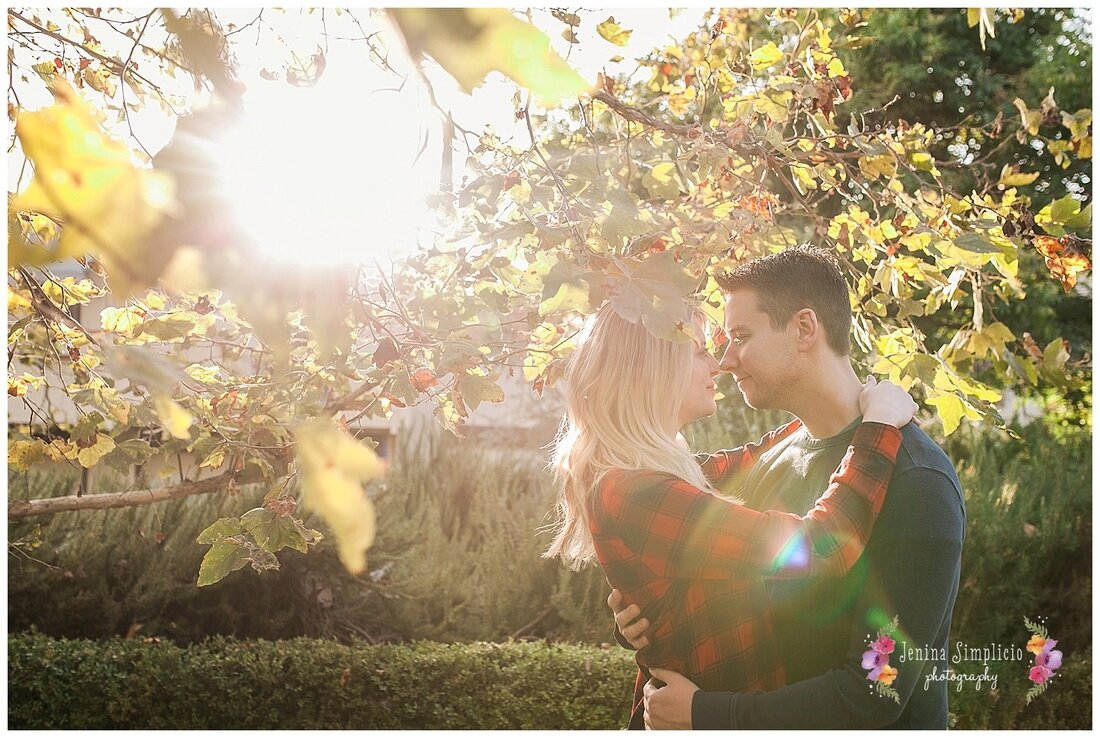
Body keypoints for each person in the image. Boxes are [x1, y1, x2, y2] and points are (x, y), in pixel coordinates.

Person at [611, 245, 966, 729]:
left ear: (803, 329)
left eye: (740, 336)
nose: (725, 360)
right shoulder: (767, 462)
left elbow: (871, 697)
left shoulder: (916, 482)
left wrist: (708, 714)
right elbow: (713, 586)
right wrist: (644, 612)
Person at [543, 299, 918, 729]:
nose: (717, 365)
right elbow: (822, 546)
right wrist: (881, 426)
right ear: (654, 369)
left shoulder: (657, 476)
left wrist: (829, 406)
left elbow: (752, 459)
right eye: (700, 351)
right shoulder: (635, 492)